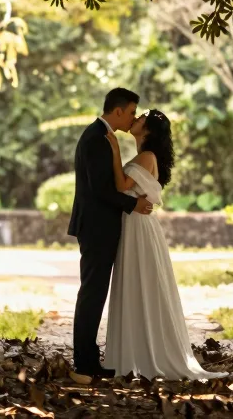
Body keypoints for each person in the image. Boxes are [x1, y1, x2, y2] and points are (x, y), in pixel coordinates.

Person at [101, 109, 229, 381]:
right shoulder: (143, 156)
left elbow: (122, 184)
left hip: (139, 227)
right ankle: (135, 351)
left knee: (142, 284)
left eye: (142, 116)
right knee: (135, 284)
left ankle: (149, 352)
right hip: (135, 225)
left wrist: (114, 151)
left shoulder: (147, 157)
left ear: (148, 129)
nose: (136, 118)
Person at [68, 87, 153, 380]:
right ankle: (83, 363)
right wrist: (134, 204)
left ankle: (89, 359)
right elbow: (100, 190)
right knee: (92, 293)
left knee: (95, 293)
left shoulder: (103, 137)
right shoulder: (97, 139)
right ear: (118, 111)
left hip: (99, 226)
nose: (132, 118)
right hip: (95, 227)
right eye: (131, 112)